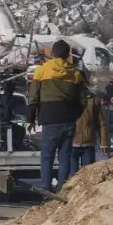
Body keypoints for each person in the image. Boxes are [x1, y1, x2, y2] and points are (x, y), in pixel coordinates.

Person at [28, 39, 87, 191]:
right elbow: (83, 100)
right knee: (65, 156)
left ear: (52, 53)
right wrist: (74, 115)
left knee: (47, 156)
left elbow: (33, 97)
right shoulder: (75, 73)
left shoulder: (41, 70)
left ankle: (46, 187)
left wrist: (30, 119)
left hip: (49, 119)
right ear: (68, 55)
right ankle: (62, 188)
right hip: (68, 120)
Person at [66, 92, 109, 185]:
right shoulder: (68, 97)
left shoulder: (94, 100)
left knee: (89, 176)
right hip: (71, 143)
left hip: (88, 144)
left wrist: (104, 142)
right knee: (72, 177)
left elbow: (102, 123)